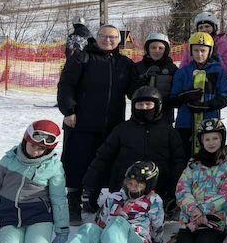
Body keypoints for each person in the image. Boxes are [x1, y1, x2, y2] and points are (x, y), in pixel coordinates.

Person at [31, 161, 165, 243]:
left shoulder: (153, 201)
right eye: (130, 183)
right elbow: (100, 223)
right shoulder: (114, 198)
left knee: (118, 221)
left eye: (138, 185)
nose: (132, 188)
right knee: (90, 228)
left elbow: (157, 225)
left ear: (148, 186)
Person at [56, 23, 136, 224]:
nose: (108, 40)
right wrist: (69, 111)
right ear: (97, 37)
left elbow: (134, 91)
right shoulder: (82, 58)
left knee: (103, 163)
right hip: (81, 122)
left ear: (119, 40)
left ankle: (91, 199)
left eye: (113, 37)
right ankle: (73, 202)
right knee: (77, 163)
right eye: (104, 36)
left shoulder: (124, 63)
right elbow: (66, 86)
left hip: (111, 124)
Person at [81, 86, 186, 215]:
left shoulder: (169, 131)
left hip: (158, 190)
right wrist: (90, 184)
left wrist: (173, 192)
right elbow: (103, 157)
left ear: (158, 106)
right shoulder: (122, 129)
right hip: (126, 189)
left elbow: (178, 162)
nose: (144, 108)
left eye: (148, 104)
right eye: (140, 105)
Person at [174, 119, 227, 243]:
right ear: (201, 141)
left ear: (222, 139)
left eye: (215, 138)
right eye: (207, 139)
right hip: (190, 216)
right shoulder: (194, 162)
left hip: (213, 218)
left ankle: (221, 232)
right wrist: (192, 209)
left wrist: (202, 210)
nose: (211, 143)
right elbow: (182, 187)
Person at [170, 32, 227, 158]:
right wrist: (185, 97)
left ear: (209, 52)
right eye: (196, 50)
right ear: (191, 52)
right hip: (185, 123)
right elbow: (173, 99)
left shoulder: (217, 71)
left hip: (210, 123)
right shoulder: (183, 72)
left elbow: (226, 96)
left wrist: (209, 105)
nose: (199, 54)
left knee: (209, 156)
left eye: (203, 50)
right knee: (185, 156)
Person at [131, 32, 179, 123]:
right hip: (140, 116)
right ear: (147, 49)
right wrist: (143, 80)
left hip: (164, 117)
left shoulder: (172, 69)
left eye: (160, 48)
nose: (157, 50)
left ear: (166, 50)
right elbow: (130, 93)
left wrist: (161, 102)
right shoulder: (138, 67)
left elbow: (176, 96)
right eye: (153, 47)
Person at [180, 11, 227, 77]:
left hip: (215, 82)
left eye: (207, 26)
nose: (204, 30)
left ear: (214, 27)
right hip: (192, 81)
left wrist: (217, 59)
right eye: (200, 27)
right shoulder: (191, 45)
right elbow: (182, 68)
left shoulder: (224, 45)